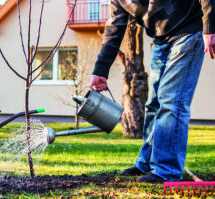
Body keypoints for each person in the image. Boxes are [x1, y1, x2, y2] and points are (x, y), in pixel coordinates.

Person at [89, 0, 215, 183]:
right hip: (160, 38)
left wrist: (210, 26)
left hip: (189, 29)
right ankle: (146, 163)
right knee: (153, 105)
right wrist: (100, 70)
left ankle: (167, 171)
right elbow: (115, 25)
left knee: (172, 102)